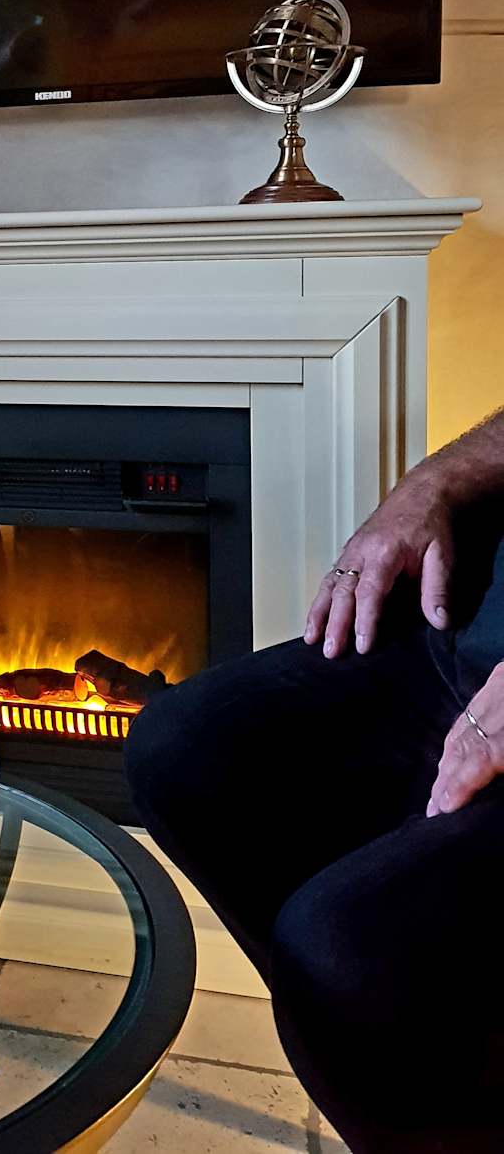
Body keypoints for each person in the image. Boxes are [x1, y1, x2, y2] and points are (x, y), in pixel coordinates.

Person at [126, 411, 504, 1154]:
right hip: (470, 618)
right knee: (179, 749)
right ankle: (399, 1078)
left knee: (336, 947)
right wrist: (428, 483)